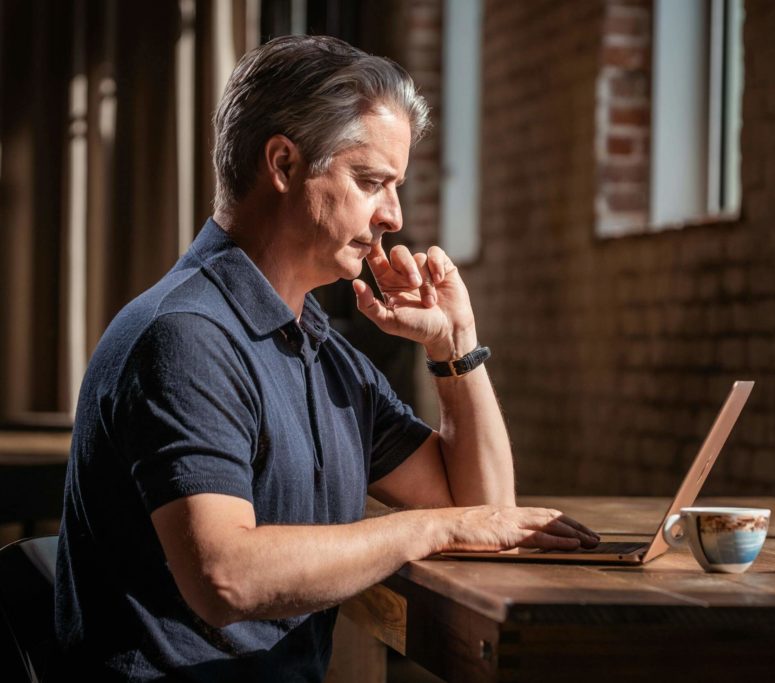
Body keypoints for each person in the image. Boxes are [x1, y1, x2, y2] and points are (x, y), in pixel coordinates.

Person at [53, 34, 599, 681]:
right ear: (283, 165)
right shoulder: (184, 338)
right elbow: (225, 576)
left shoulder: (322, 350)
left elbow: (482, 507)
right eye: (372, 181)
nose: (393, 215)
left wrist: (455, 348)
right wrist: (425, 529)